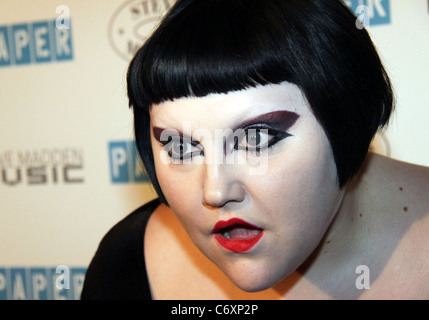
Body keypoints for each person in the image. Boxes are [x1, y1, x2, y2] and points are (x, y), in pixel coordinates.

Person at [81, 0, 429, 300]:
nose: (215, 191)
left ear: (348, 119)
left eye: (257, 139)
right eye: (181, 147)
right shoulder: (127, 263)